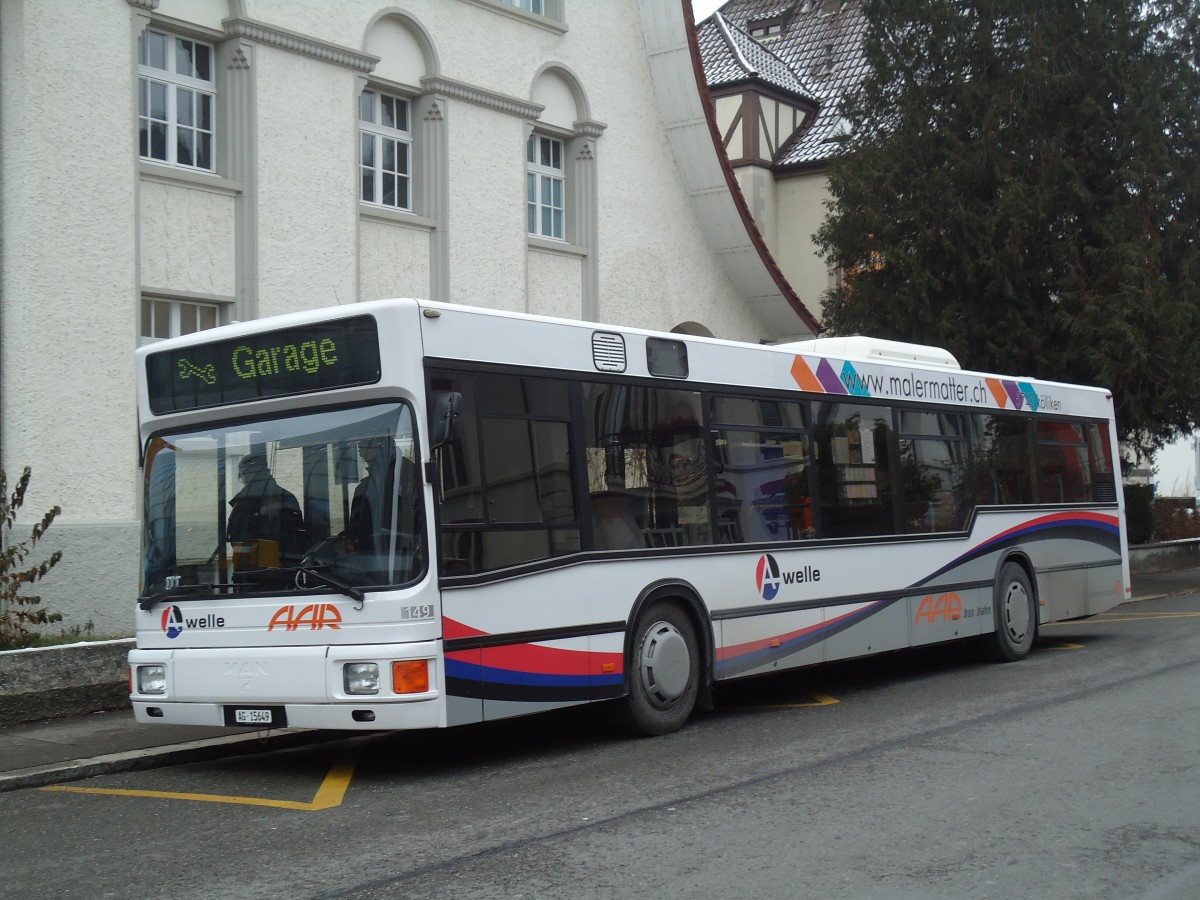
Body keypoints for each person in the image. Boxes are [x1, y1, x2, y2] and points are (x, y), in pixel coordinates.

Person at [227, 452, 306, 582]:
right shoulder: (287, 498)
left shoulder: (245, 502)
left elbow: (236, 538)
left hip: (253, 576)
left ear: (249, 474)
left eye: (242, 476)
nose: (243, 481)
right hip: (288, 575)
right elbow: (300, 539)